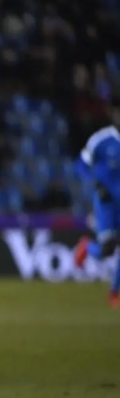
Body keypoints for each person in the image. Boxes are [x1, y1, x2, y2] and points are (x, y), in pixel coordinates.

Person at [73, 119, 120, 307]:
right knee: (106, 249)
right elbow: (81, 165)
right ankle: (86, 246)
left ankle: (114, 293)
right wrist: (95, 184)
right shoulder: (102, 139)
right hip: (106, 203)